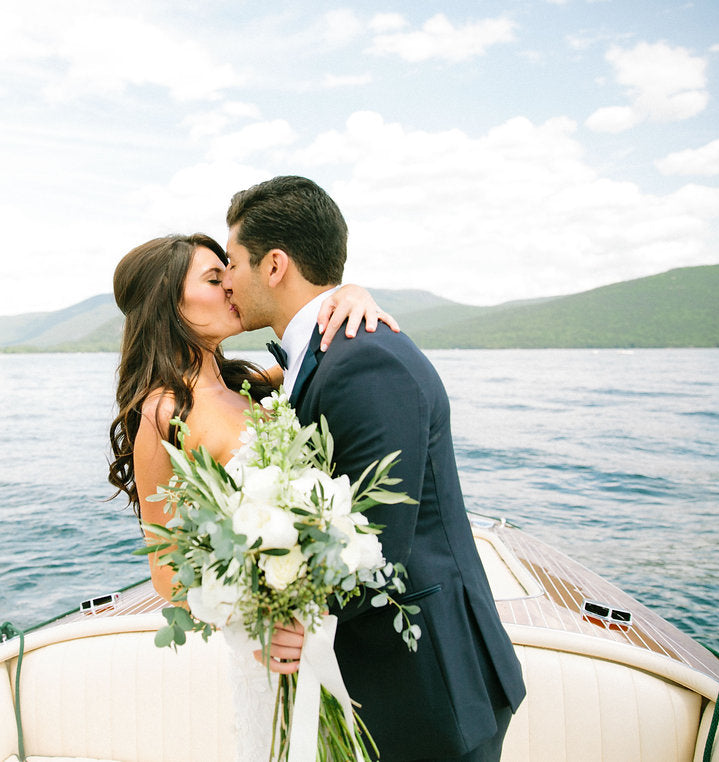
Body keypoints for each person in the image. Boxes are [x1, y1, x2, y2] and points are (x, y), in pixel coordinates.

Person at [221, 176, 527, 761]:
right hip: (382, 679)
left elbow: (377, 543)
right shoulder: (323, 354)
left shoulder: (364, 361)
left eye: (232, 261)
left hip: (432, 688)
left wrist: (287, 610)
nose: (228, 278)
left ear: (275, 265)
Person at [106, 233, 398, 761]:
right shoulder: (164, 413)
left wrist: (352, 293)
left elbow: (319, 344)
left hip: (322, 628)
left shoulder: (251, 381)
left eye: (229, 273)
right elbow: (168, 573)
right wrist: (265, 612)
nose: (232, 286)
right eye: (214, 280)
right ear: (169, 303)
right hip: (268, 645)